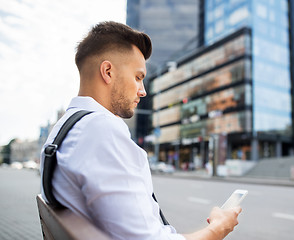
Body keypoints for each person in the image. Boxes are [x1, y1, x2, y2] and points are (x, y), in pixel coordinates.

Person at [40, 21, 242, 240]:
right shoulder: (101, 130)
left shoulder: (63, 129)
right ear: (108, 71)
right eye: (138, 77)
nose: (143, 91)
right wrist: (218, 229)